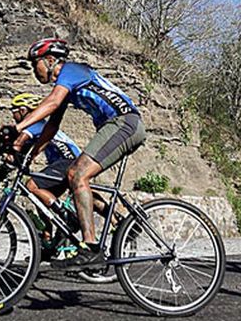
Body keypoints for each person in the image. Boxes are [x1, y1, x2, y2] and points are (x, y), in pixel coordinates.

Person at [13, 38, 146, 269]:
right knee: (78, 178)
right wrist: (32, 155)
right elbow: (51, 128)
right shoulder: (67, 87)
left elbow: (52, 102)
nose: (34, 70)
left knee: (77, 174)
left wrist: (18, 127)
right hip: (117, 126)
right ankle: (122, 222)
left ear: (50, 60)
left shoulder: (72, 71)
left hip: (124, 123)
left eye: (36, 64)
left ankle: (91, 247)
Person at [8, 93, 82, 243]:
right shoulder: (39, 125)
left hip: (68, 161)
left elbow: (19, 143)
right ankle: (47, 237)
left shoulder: (34, 124)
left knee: (31, 186)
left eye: (13, 110)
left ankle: (67, 216)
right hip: (68, 162)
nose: (12, 115)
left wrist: (7, 155)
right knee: (38, 198)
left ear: (23, 110)